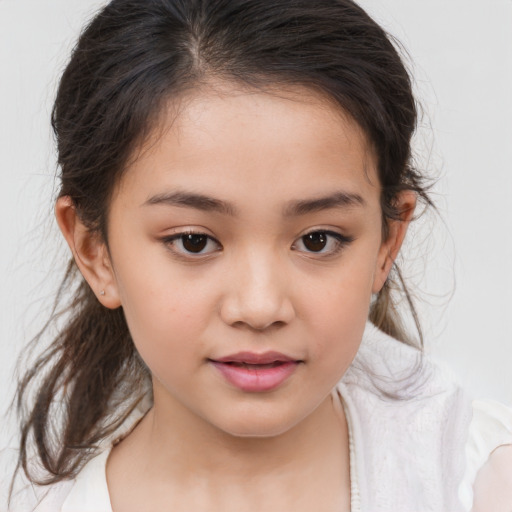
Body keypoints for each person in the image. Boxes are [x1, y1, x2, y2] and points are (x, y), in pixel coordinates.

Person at [2, 0, 511, 510]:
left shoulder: (481, 480)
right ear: (96, 252)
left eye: (317, 239)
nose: (261, 307)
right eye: (194, 241)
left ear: (386, 242)